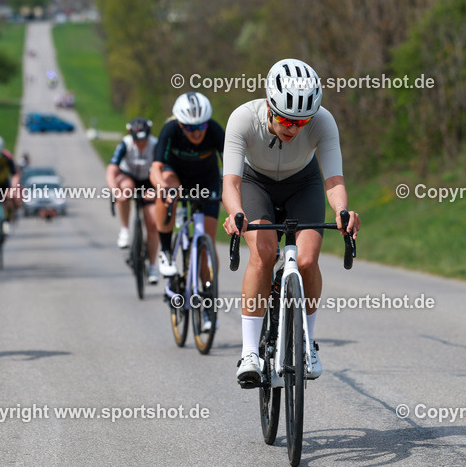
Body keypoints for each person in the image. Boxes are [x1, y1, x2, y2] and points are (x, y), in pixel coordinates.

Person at [221, 58, 360, 386]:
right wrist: (237, 213)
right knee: (265, 252)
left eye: (301, 122)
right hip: (256, 183)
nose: (292, 128)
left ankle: (308, 343)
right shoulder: (243, 118)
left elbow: (334, 180)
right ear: (269, 105)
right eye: (285, 119)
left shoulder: (323, 122)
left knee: (308, 258)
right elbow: (231, 182)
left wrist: (343, 210)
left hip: (303, 183)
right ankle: (250, 351)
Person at [151, 92, 225, 289]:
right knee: (168, 187)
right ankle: (166, 251)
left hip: (207, 181)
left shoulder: (215, 130)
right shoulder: (170, 130)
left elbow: (233, 166)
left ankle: (210, 299)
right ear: (180, 124)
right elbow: (155, 168)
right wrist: (162, 189)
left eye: (201, 126)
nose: (197, 132)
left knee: (207, 244)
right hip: (176, 176)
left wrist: (231, 191)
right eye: (191, 128)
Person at [107, 117, 160, 283]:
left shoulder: (155, 144)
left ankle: (152, 266)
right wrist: (116, 191)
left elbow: (163, 171)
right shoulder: (126, 143)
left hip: (149, 181)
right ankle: (125, 229)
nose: (141, 144)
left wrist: (157, 190)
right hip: (128, 177)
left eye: (144, 140)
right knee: (125, 189)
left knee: (152, 222)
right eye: (138, 140)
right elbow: (111, 170)